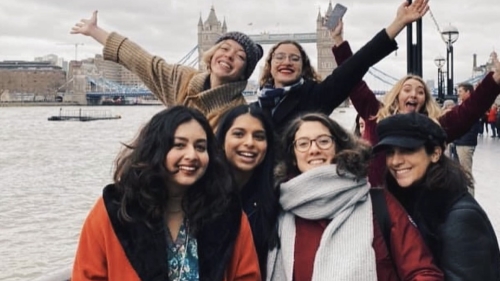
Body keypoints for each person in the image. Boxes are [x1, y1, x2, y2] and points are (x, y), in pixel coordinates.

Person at [71, 106, 261, 281]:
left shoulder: (227, 214)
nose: (192, 155)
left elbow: (247, 276)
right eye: (179, 145)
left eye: (200, 147)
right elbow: (87, 276)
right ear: (156, 150)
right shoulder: (116, 210)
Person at [267, 112, 443, 281]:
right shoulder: (279, 211)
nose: (314, 149)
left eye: (323, 141)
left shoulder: (378, 204)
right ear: (292, 156)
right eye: (303, 143)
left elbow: (422, 271)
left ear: (339, 147)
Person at [330, 21, 500, 187]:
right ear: (397, 96)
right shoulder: (376, 114)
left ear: (424, 101)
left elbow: (468, 112)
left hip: (418, 204)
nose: (414, 94)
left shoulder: (433, 126)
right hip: (378, 200)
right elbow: (354, 82)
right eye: (407, 89)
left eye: (420, 92)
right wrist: (339, 41)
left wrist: (495, 80)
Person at [254, 0, 430, 133]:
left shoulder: (316, 97)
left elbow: (359, 62)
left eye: (294, 58)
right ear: (269, 66)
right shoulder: (254, 108)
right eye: (279, 57)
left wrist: (398, 23)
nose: (286, 62)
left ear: (304, 68)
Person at [71, 11, 263, 128]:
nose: (229, 56)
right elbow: (141, 60)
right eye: (224, 48)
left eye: (240, 57)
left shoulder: (241, 114)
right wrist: (95, 31)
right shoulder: (182, 79)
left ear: (244, 72)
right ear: (211, 55)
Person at [373, 112, 500, 281]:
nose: (395, 161)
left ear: (435, 153)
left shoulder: (460, 217)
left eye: (407, 150)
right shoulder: (399, 203)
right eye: (390, 152)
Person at [215, 104, 279, 275]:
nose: (249, 143)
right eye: (239, 134)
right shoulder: (200, 192)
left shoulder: (276, 198)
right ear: (222, 141)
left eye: (259, 136)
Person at [453, 83, 481, 196]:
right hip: (460, 142)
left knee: (466, 172)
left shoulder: (472, 106)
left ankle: (470, 197)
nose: (458, 93)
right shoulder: (465, 105)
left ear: (468, 92)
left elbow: (466, 125)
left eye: (460, 91)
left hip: (465, 143)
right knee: (458, 171)